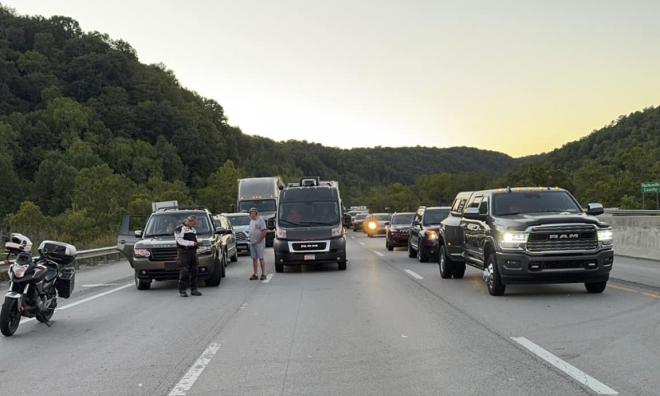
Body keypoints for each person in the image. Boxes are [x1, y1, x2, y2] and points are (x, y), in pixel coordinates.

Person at [175, 215, 202, 297]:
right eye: (194, 223)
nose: (194, 225)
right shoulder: (180, 229)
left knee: (194, 270)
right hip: (184, 252)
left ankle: (194, 289)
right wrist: (192, 243)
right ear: (189, 221)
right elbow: (179, 241)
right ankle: (182, 290)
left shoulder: (193, 229)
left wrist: (198, 243)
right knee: (184, 271)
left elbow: (194, 239)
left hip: (193, 252)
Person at [248, 207, 268, 280]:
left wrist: (259, 240)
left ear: (255, 213)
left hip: (259, 243)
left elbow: (264, 231)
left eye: (251, 213)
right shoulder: (251, 221)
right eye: (250, 213)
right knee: (254, 259)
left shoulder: (260, 220)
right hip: (252, 242)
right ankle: (255, 274)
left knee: (261, 258)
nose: (250, 214)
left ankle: (263, 274)